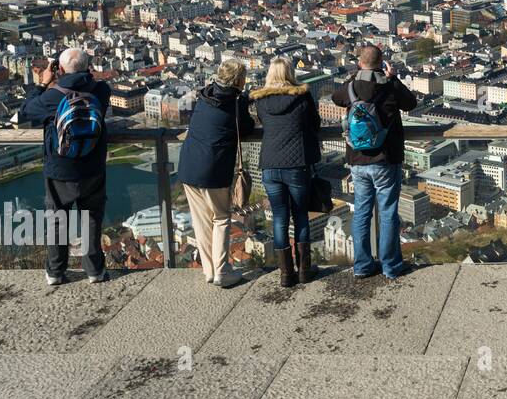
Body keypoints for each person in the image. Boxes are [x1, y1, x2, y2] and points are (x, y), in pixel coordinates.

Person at [19, 48, 112, 286]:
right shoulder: (101, 90)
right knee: (91, 217)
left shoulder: (52, 96)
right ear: (88, 67)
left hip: (59, 168)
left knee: (57, 219)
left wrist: (43, 84)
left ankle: (56, 272)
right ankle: (95, 270)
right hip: (92, 165)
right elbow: (96, 85)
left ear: (59, 70)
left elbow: (25, 112)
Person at [332, 45, 417, 280]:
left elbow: (335, 97)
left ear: (360, 63)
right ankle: (390, 266)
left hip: (358, 161)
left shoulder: (350, 87)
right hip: (386, 160)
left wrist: (353, 77)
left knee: (361, 212)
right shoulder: (389, 88)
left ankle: (362, 265)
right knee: (388, 212)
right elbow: (411, 103)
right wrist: (394, 79)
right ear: (382, 64)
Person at [177, 59, 253, 287]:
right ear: (240, 81)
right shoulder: (234, 104)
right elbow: (246, 128)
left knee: (201, 222)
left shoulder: (205, 95)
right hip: (213, 169)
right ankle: (222, 271)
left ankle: (209, 270)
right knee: (221, 218)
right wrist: (246, 103)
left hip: (189, 166)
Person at [252, 57, 322, 287]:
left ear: (270, 75)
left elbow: (264, 123)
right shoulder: (301, 96)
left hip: (270, 165)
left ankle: (285, 274)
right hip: (296, 164)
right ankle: (304, 270)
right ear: (290, 73)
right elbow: (314, 123)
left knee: (280, 218)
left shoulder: (261, 101)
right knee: (300, 215)